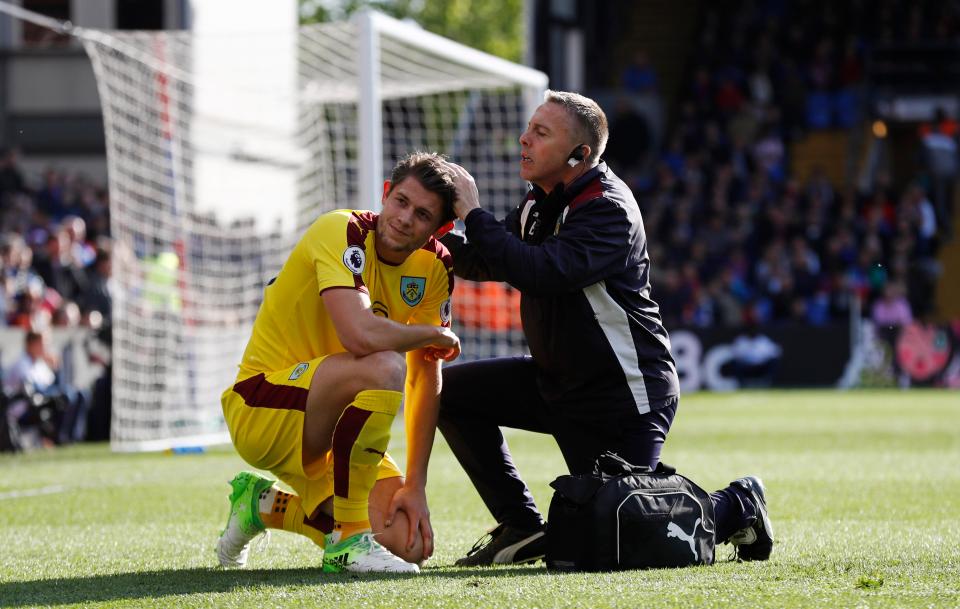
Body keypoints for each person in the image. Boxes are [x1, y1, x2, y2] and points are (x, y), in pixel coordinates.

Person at [438, 90, 774, 566]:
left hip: (624, 395)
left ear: (579, 155)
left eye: (541, 132)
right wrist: (420, 236)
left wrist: (472, 212)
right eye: (529, 127)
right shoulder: (540, 201)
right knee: (445, 391)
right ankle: (520, 523)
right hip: (558, 382)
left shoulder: (609, 207)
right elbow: (491, 257)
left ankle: (739, 503)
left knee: (628, 527)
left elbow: (540, 271)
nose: (524, 138)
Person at [217, 152, 461, 574]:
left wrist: (416, 484)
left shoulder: (436, 266)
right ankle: (348, 542)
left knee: (408, 541)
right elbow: (360, 335)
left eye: (422, 214)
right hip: (262, 409)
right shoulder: (341, 228)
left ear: (438, 229)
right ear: (386, 194)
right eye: (401, 201)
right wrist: (430, 334)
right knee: (385, 365)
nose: (404, 218)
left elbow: (425, 377)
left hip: (336, 429)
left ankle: (263, 506)